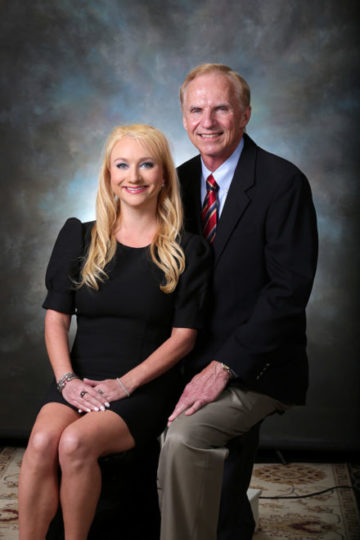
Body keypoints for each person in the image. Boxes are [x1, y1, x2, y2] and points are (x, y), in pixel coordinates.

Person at [18, 123, 211, 540]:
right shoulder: (80, 236)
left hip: (143, 387)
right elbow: (56, 319)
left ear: (163, 176)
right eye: (122, 165)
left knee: (74, 445)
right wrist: (66, 381)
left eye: (146, 165)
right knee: (41, 443)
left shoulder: (187, 249)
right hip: (80, 379)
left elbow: (184, 338)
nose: (134, 176)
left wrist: (123, 385)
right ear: (109, 175)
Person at [157, 63, 318, 540]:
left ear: (245, 114)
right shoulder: (174, 183)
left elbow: (288, 293)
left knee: (183, 438)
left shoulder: (282, 183)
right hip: (184, 357)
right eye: (196, 110)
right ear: (184, 119)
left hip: (257, 364)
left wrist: (224, 366)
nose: (208, 121)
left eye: (221, 108)